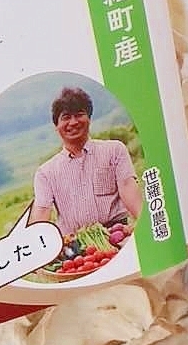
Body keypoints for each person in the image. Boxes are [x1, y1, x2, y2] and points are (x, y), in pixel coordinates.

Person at [29, 86, 142, 239]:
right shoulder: (45, 173)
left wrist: (144, 223)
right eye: (66, 117)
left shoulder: (114, 150)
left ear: (89, 118)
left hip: (117, 234)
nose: (73, 122)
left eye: (79, 114)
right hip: (76, 248)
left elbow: (128, 187)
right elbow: (42, 211)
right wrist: (37, 249)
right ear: (56, 126)